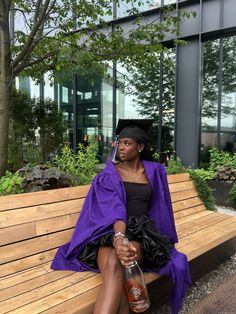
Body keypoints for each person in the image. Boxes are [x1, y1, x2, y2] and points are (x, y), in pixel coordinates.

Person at [51, 119, 191, 314]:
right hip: (110, 231)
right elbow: (114, 209)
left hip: (141, 234)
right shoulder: (110, 174)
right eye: (120, 143)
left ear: (140, 147)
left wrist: (155, 239)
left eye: (127, 143)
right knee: (115, 266)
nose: (121, 148)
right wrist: (118, 239)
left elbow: (161, 207)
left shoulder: (155, 172)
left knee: (117, 264)